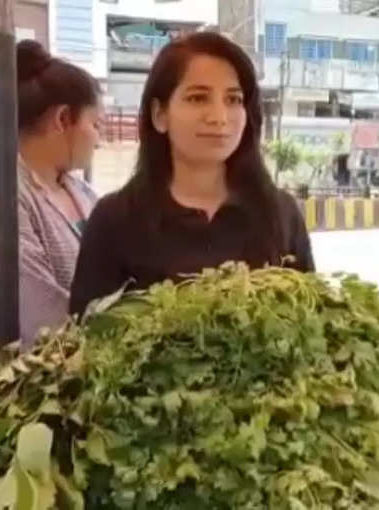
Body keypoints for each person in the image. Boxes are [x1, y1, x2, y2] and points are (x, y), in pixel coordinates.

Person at [70, 32, 314, 316]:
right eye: (198, 98)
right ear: (159, 114)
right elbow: (86, 337)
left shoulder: (281, 213)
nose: (219, 117)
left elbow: (311, 317)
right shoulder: (115, 219)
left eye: (233, 100)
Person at [0, 40, 102, 348]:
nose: (98, 140)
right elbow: (38, 318)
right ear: (63, 120)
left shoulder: (82, 191)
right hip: (44, 379)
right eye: (96, 124)